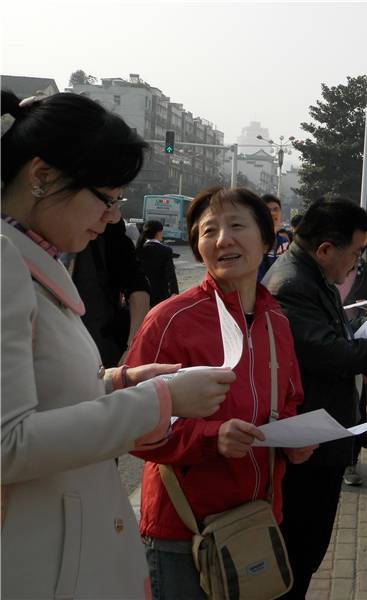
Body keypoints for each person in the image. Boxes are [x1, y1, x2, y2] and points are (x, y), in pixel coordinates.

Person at [1, 90, 234, 600]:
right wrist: (162, 400)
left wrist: (119, 381)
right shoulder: (4, 263)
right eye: (106, 197)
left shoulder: (33, 261)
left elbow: (42, 390)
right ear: (41, 176)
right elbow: (8, 444)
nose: (111, 217)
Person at [125, 186, 315, 599]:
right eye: (209, 231)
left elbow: (289, 399)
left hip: (256, 520)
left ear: (267, 239)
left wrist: (295, 441)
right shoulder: (170, 320)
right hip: (183, 532)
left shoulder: (276, 322)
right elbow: (132, 423)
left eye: (237, 226)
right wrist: (213, 438)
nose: (223, 239)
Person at [264, 198, 367, 598]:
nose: (359, 262)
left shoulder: (311, 276)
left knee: (307, 550)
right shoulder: (294, 284)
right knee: (298, 552)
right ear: (326, 249)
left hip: (322, 440)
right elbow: (331, 355)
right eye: (357, 251)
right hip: (307, 447)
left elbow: (328, 338)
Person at [64, 216, 152, 367]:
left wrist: (132, 347)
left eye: (116, 201)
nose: (114, 213)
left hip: (99, 348)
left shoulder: (108, 230)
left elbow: (136, 284)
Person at [335, 255, 367, 486]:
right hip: (332, 348)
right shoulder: (322, 271)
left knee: (357, 407)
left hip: (361, 349)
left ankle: (350, 461)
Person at [136, 219, 179, 307]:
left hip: (141, 294)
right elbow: (171, 275)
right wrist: (174, 293)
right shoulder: (165, 250)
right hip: (160, 296)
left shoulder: (139, 249)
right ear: (158, 233)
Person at [257, 193, 290, 280]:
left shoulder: (284, 242)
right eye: (267, 210)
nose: (273, 213)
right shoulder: (252, 241)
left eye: (276, 209)